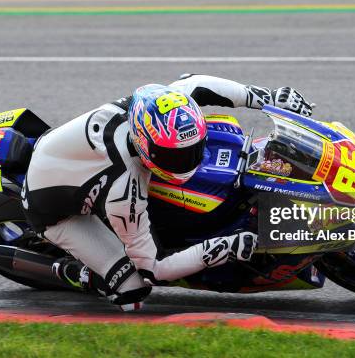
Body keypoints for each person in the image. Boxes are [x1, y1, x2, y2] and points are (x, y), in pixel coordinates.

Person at [21, 74, 313, 310]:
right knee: (133, 289)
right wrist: (222, 248)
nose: (189, 161)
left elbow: (200, 83)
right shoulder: (125, 188)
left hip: (71, 155)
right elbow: (153, 268)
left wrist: (267, 98)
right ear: (145, 144)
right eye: (175, 157)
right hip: (54, 208)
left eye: (194, 149)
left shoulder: (160, 103)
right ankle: (79, 275)